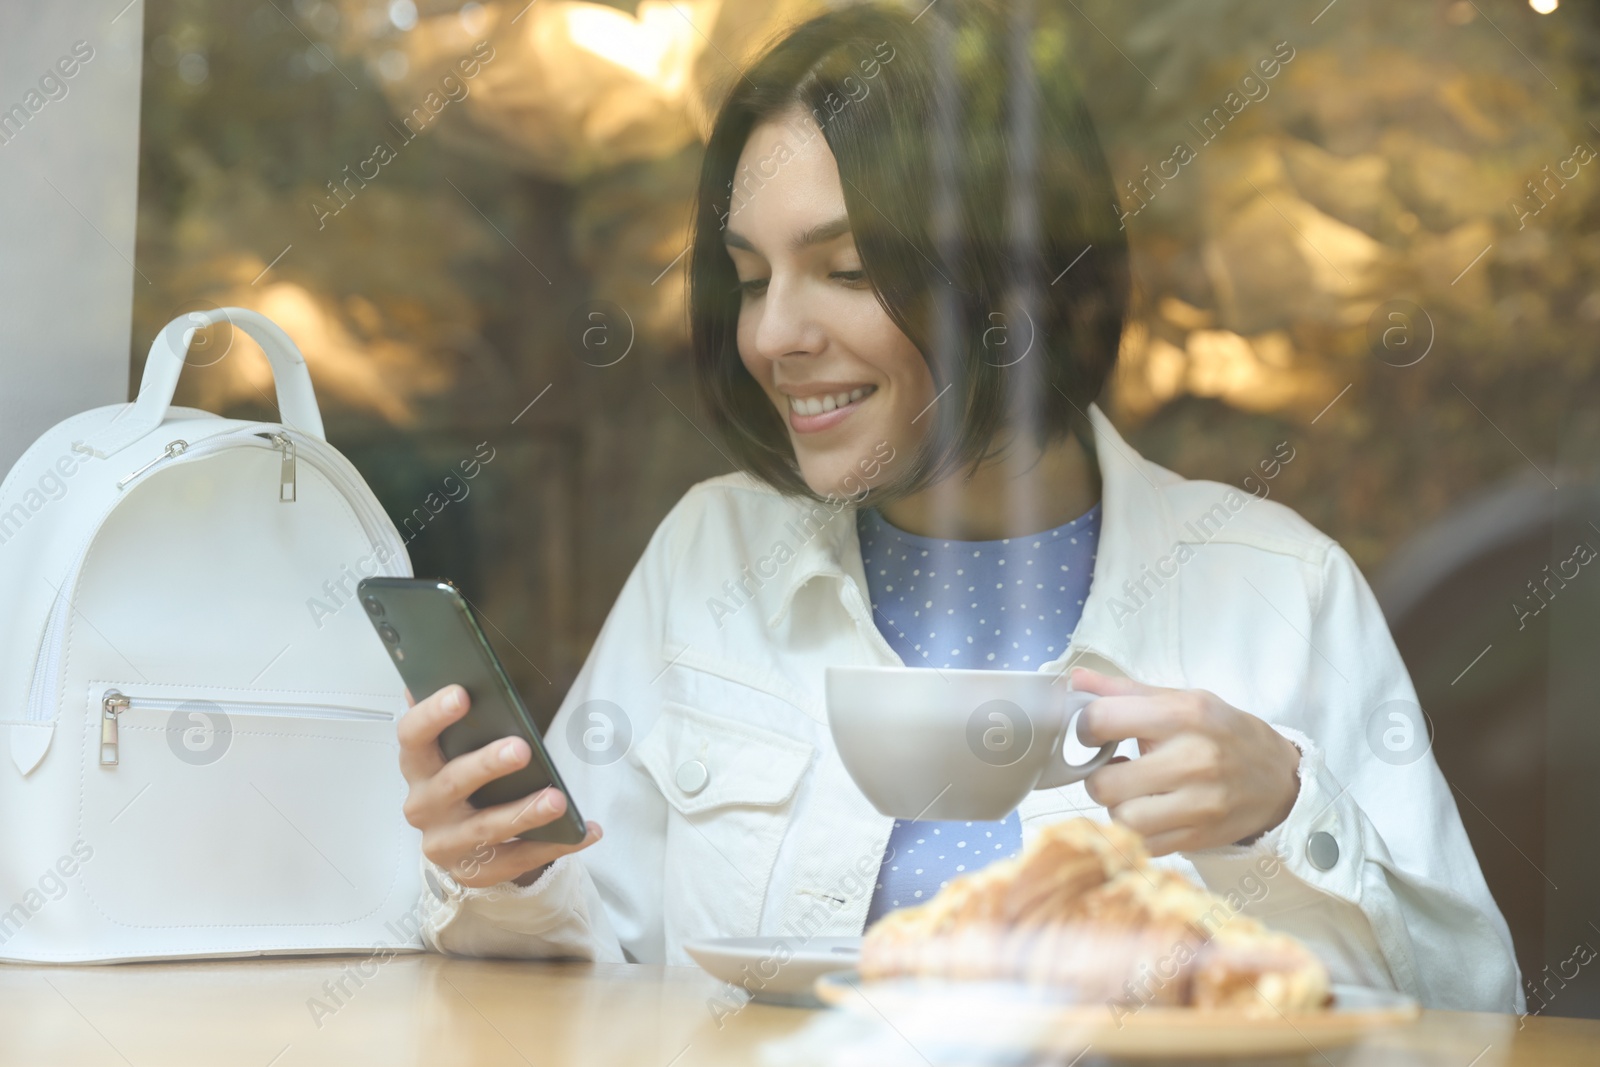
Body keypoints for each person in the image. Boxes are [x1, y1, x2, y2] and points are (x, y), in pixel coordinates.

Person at [394, 0, 1520, 1012]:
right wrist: (511, 873)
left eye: (843, 269)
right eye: (750, 276)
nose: (773, 334)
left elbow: (1478, 1014)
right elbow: (593, 974)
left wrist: (1279, 811)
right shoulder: (709, 550)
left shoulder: (1283, 584)